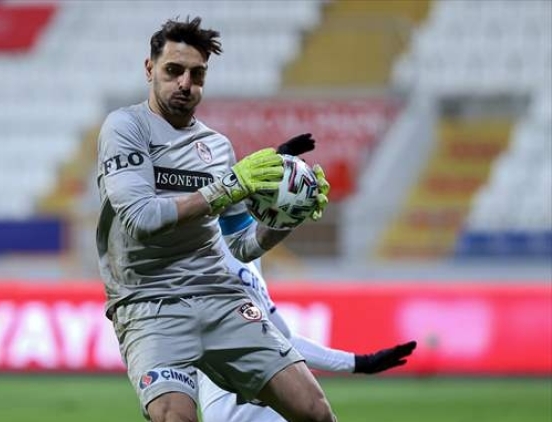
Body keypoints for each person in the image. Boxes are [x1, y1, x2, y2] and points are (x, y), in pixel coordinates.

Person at [95, 16, 336, 422]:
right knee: (176, 416)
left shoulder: (217, 147)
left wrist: (287, 215)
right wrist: (228, 186)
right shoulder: (126, 127)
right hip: (149, 301)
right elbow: (141, 218)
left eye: (197, 74)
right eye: (173, 70)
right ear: (150, 69)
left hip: (220, 296)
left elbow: (242, 245)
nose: (185, 83)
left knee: (315, 411)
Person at [198, 135, 417, 422]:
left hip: (273, 404)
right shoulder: (200, 255)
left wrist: (359, 363)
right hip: (232, 410)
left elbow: (284, 340)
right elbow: (213, 198)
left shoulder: (247, 260)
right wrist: (277, 159)